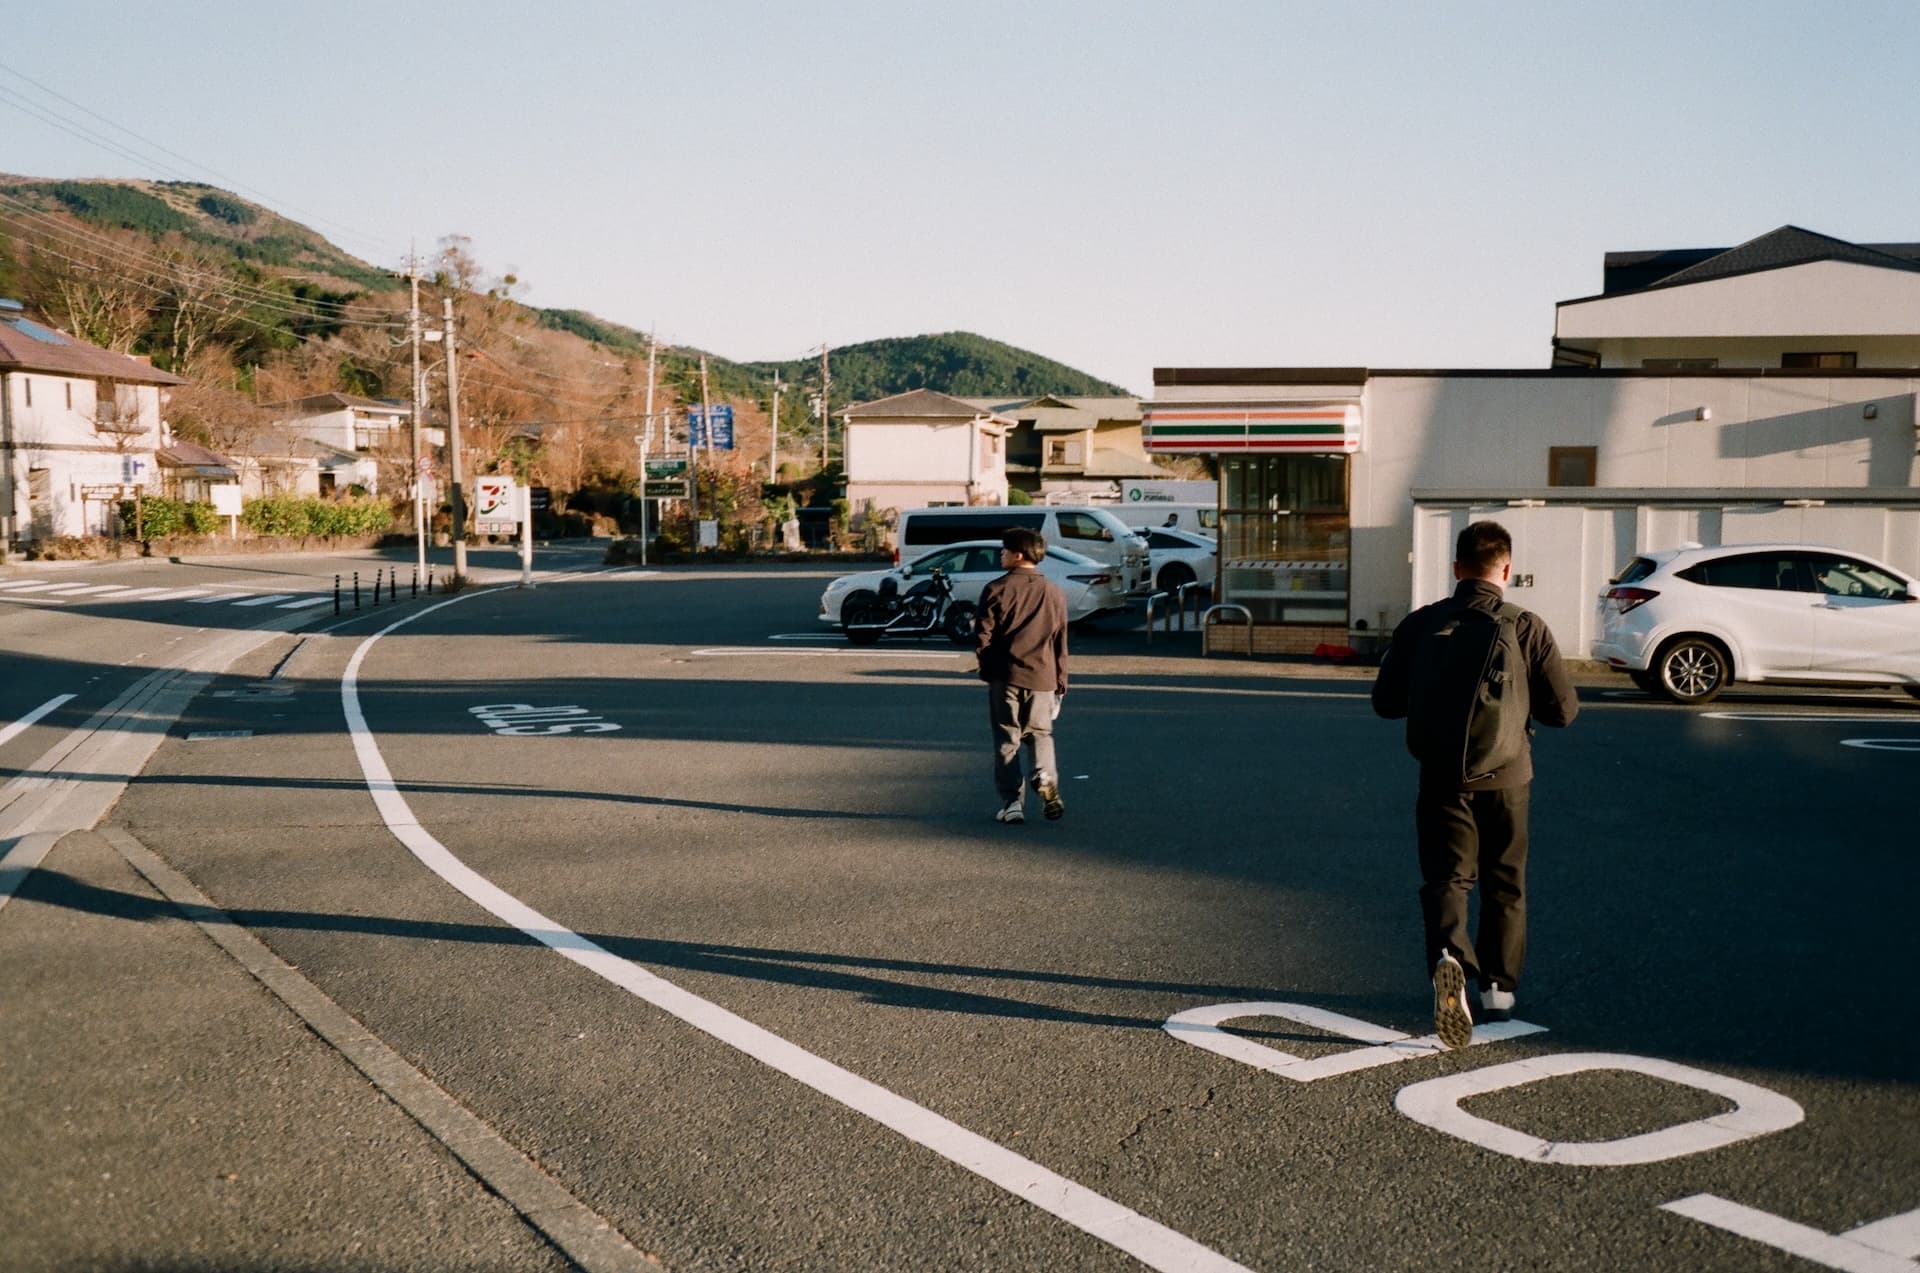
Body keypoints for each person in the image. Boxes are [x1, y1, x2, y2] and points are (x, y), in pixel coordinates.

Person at [1370, 521, 1578, 1048]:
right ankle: (1500, 991)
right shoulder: (1525, 626)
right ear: (1506, 570)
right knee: (1505, 881)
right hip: (1508, 776)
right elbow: (1563, 712)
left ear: (1456, 568)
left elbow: (1385, 704)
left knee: (1448, 878)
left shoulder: (1421, 624)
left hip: (1442, 776)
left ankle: (1451, 961)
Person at [974, 527, 1069, 824]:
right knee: (1040, 733)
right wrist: (1061, 683)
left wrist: (987, 669)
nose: (1000, 554)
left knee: (1007, 738)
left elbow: (983, 637)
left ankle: (1013, 802)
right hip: (1043, 676)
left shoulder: (996, 589)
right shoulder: (1054, 592)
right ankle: (1044, 776)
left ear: (1018, 554)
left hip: (1006, 676)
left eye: (1004, 549)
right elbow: (1060, 641)